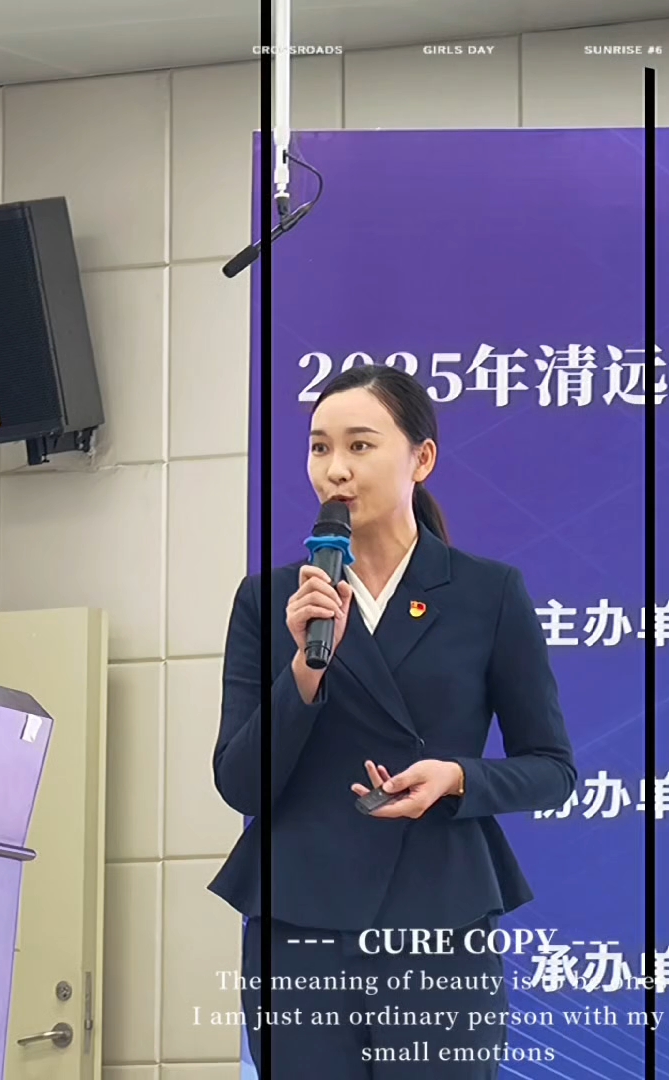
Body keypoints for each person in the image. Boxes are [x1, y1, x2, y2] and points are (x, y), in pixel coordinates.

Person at [209, 365, 577, 1078]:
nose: (335, 470)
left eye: (360, 445)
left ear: (422, 458)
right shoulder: (270, 600)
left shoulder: (487, 593)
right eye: (319, 447)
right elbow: (239, 783)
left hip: (440, 921)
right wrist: (305, 671)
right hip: (302, 926)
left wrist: (456, 779)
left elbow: (552, 768)